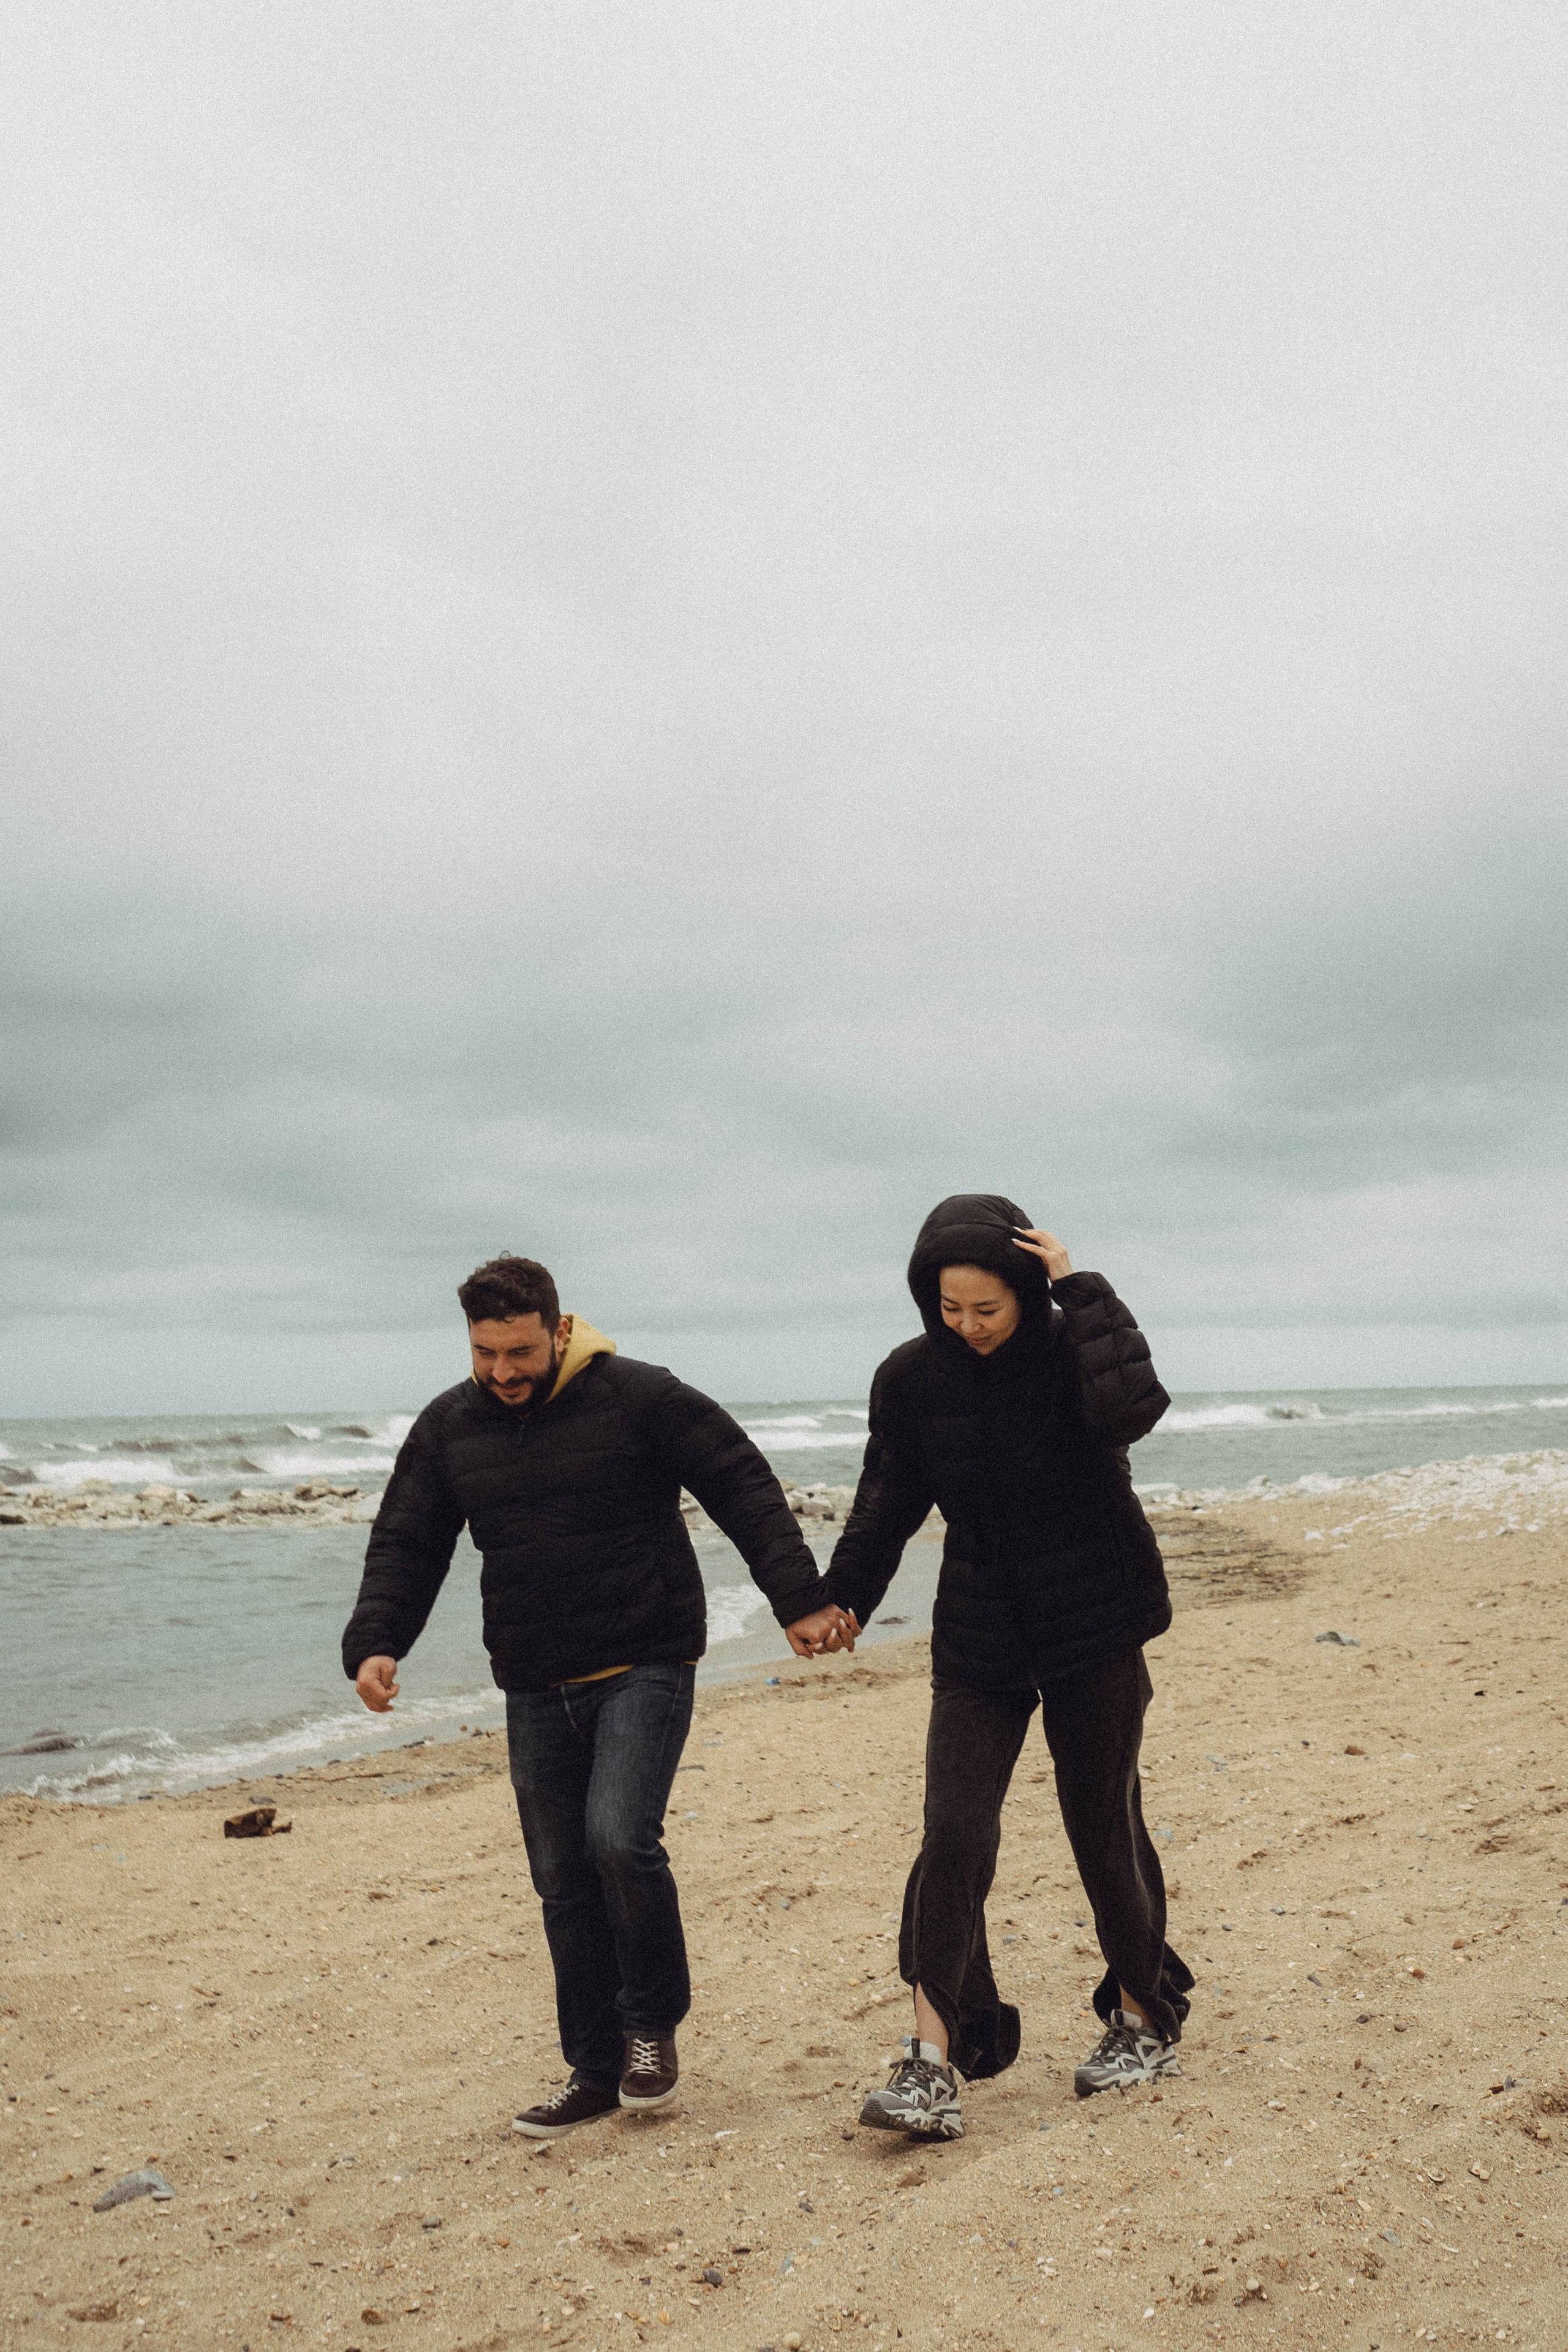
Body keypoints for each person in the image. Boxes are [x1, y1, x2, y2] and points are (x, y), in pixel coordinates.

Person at [341, 1252, 855, 2139]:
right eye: (484, 1353)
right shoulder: (450, 1425)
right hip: (534, 1677)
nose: (502, 1371)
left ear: (559, 1330)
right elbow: (407, 1539)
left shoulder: (638, 1396)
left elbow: (738, 1480)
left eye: (520, 1352)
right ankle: (592, 2067)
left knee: (619, 1839)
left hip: (645, 1658)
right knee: (561, 1878)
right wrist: (378, 1641)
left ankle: (650, 2029)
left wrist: (799, 1599)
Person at [821, 1194, 1189, 2139]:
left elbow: (1134, 1407)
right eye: (950, 1308)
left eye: (987, 1307)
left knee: (1102, 1821)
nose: (969, 1325)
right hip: (981, 1625)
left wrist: (1080, 1288)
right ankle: (932, 2060)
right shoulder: (911, 1380)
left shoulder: (1072, 1349)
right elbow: (886, 1500)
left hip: (1094, 1613)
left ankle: (1142, 2019)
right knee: (952, 1829)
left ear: (1025, 1290)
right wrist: (846, 1597)